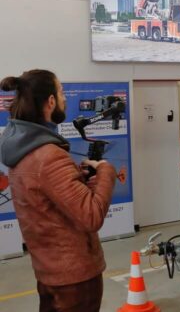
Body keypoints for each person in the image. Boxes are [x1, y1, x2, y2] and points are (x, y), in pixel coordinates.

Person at [0, 70, 116, 312]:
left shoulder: (22, 150)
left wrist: (77, 179)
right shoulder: (49, 156)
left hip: (49, 271)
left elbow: (47, 202)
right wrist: (105, 171)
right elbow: (91, 215)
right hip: (74, 279)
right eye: (61, 92)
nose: (65, 99)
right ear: (51, 101)